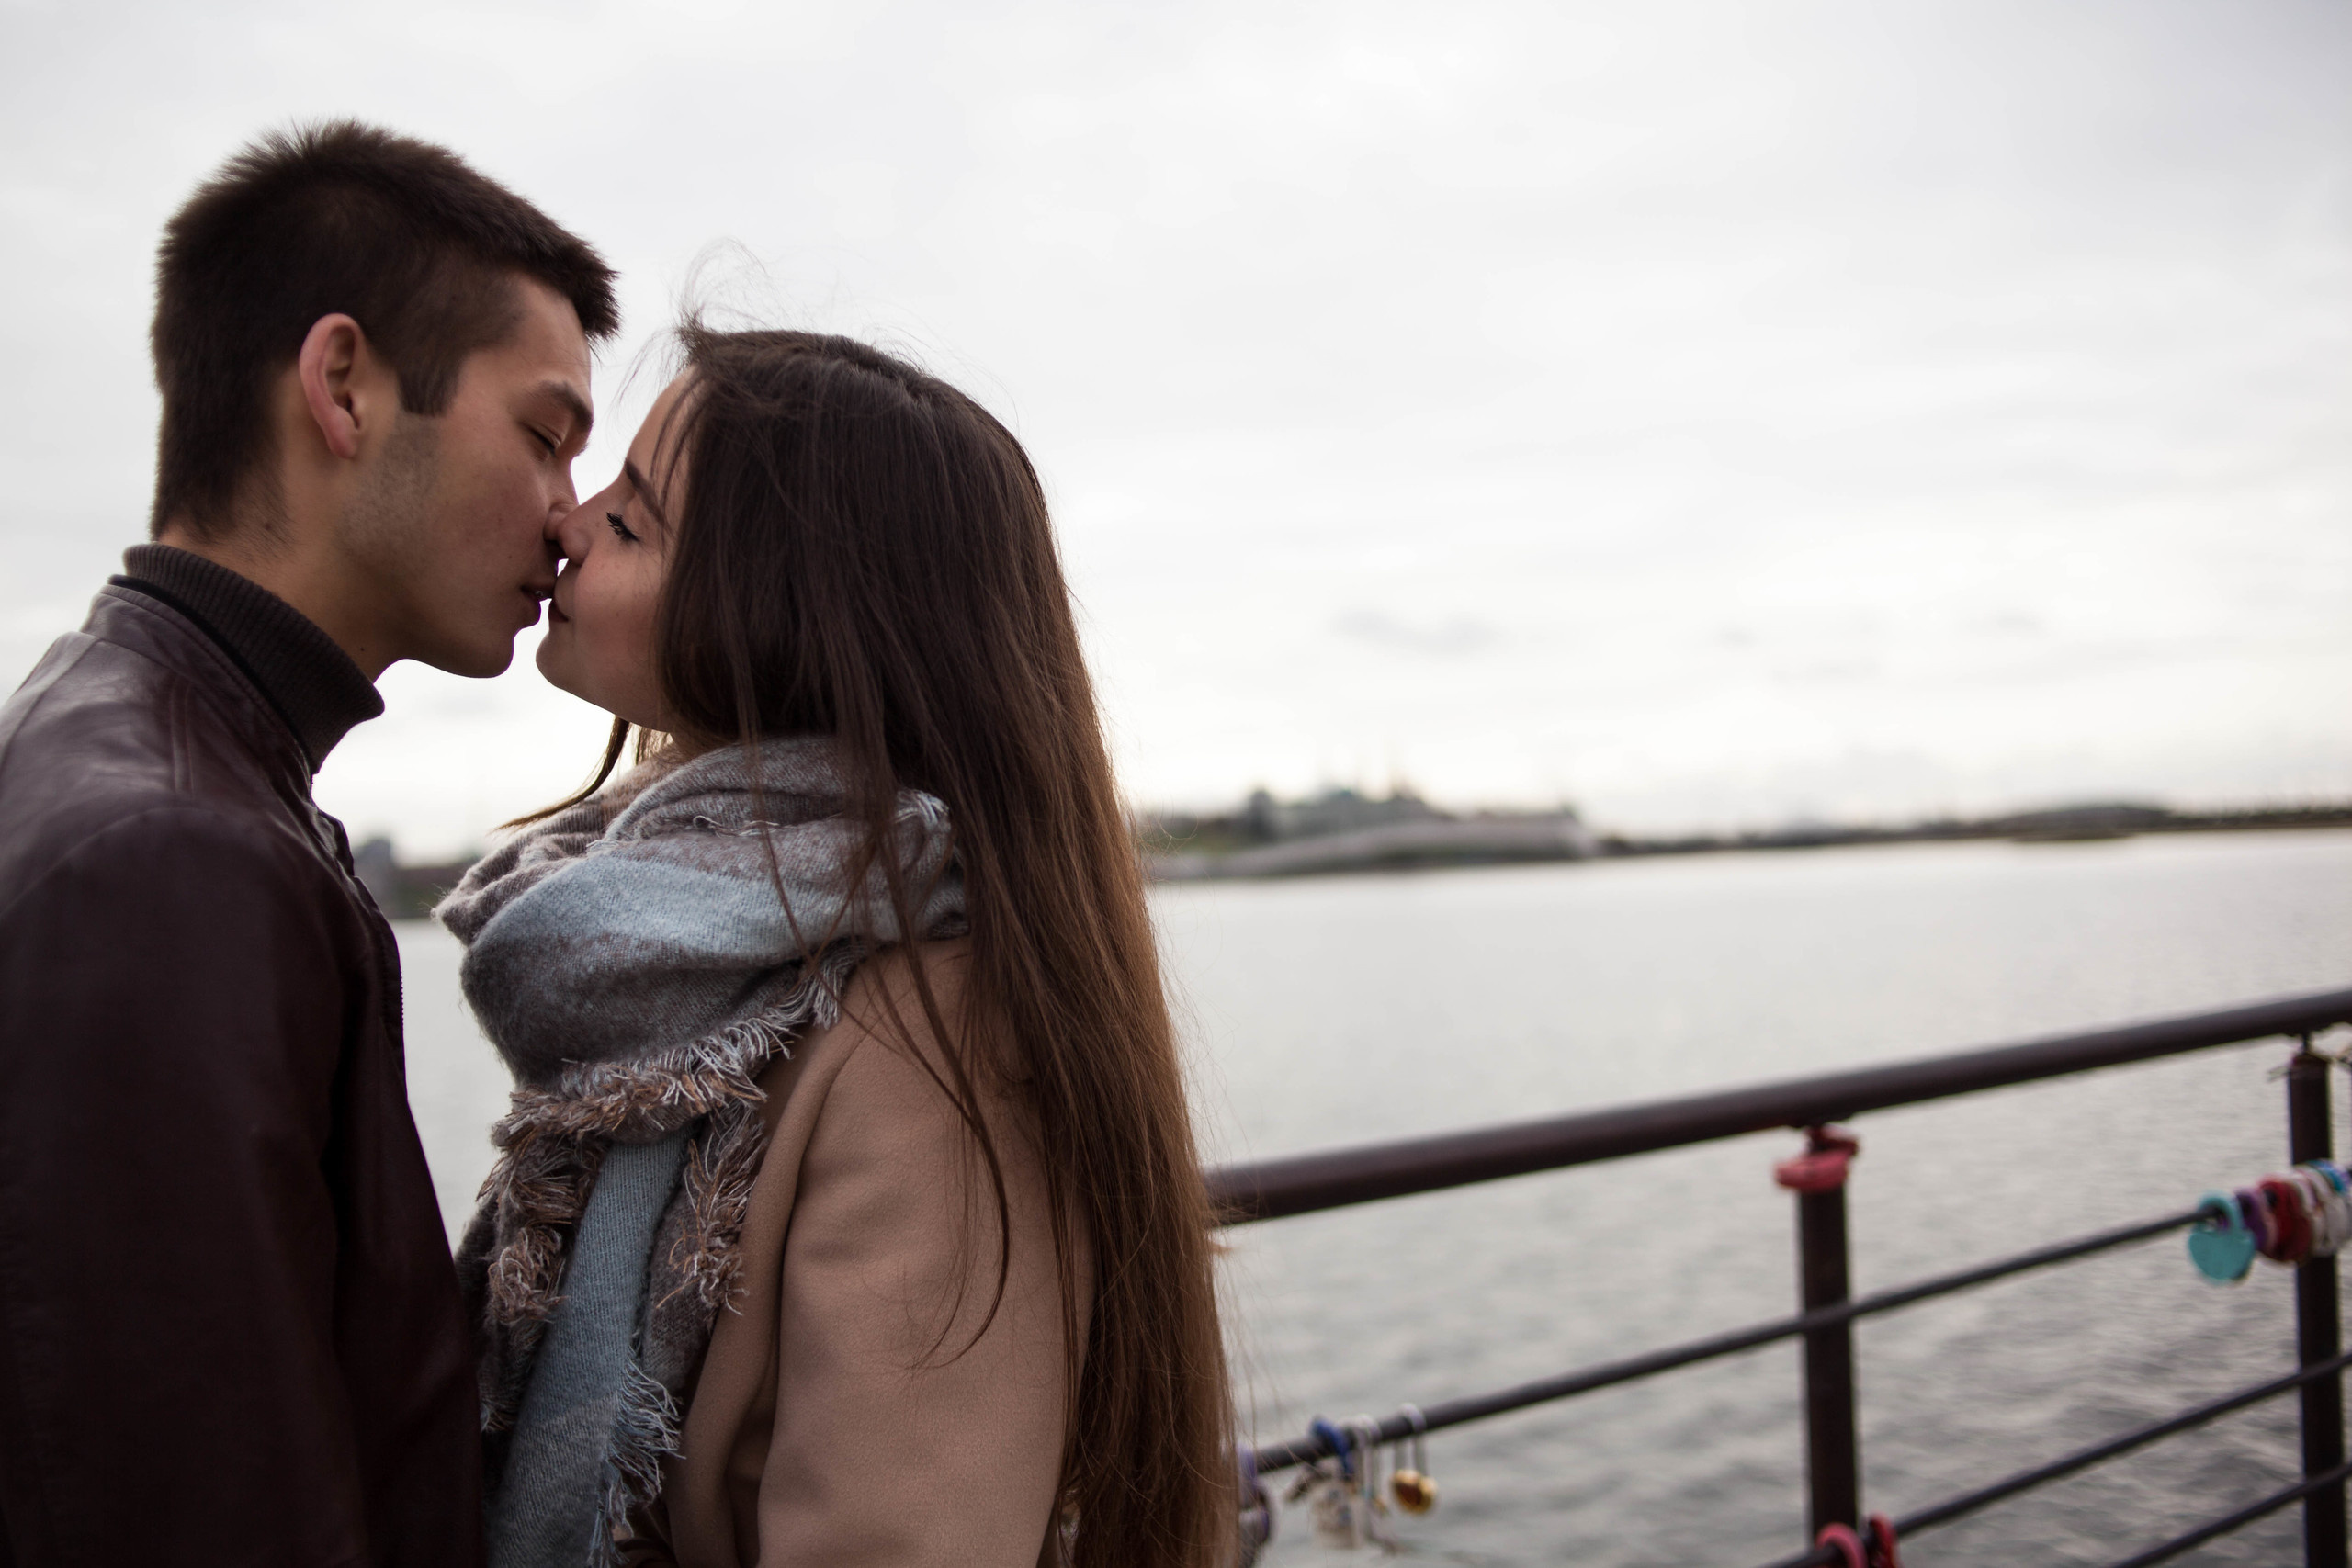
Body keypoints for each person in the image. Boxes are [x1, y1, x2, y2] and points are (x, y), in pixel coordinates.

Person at [435, 327, 1232, 1568]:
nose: (566, 523)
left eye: (630, 523)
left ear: (778, 622)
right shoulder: (698, 944)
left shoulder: (935, 1050)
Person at [0, 123, 617, 1567]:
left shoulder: (128, 744)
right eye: (544, 437)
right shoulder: (169, 857)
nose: (568, 517)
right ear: (343, 386)